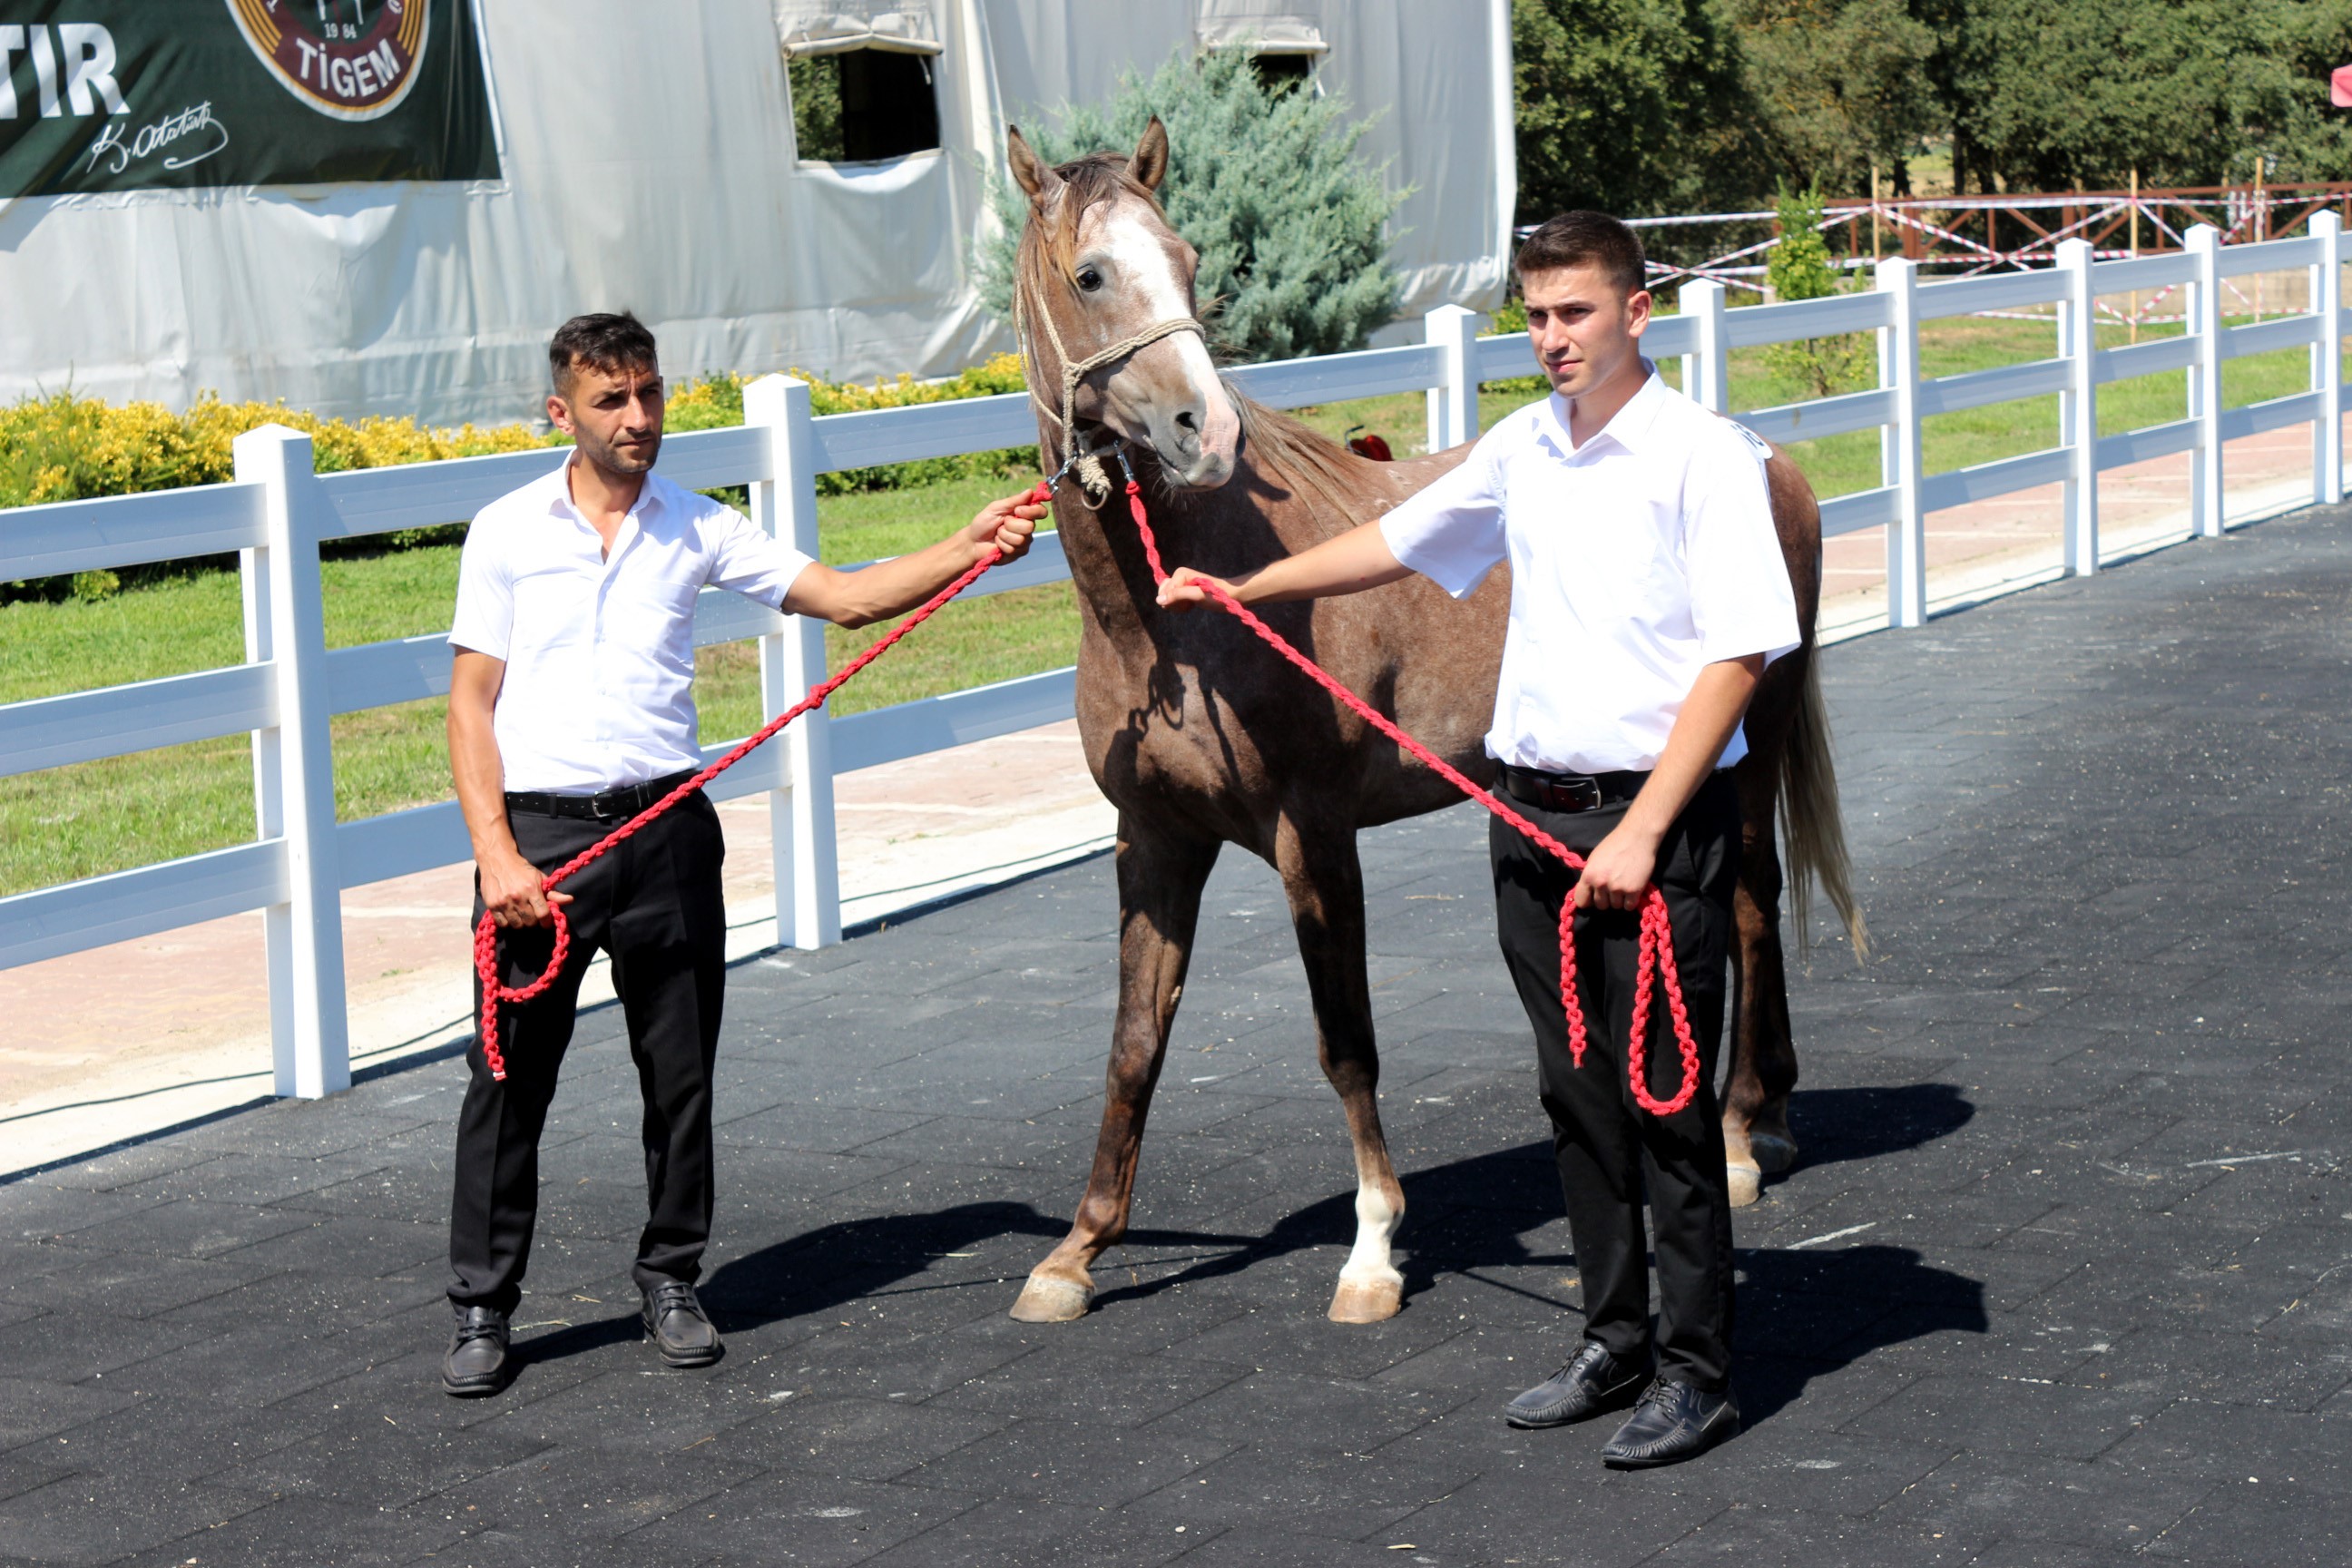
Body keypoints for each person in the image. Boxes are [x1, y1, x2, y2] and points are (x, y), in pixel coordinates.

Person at [1159, 212, 1797, 1467]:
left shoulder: (1702, 459)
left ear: (1636, 313)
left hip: (1647, 830)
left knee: (1666, 1107)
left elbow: (1737, 655)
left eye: (1575, 312)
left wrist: (1648, 828)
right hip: (1532, 819)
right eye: (1538, 313)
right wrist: (1248, 589)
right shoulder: (1526, 448)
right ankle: (1613, 1342)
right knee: (1574, 1099)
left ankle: (1697, 1372)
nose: (1552, 336)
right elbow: (1392, 543)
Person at [440, 312, 1044, 1396]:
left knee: (679, 1078)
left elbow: (846, 597)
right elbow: (470, 702)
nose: (637, 419)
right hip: (538, 844)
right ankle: (483, 1306)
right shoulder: (506, 532)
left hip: (667, 831)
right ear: (562, 412)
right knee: (507, 1082)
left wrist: (971, 542)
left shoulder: (700, 527)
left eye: (650, 395)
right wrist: (496, 857)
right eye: (612, 401)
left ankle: (672, 1276)